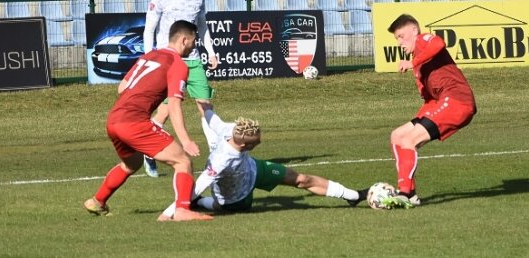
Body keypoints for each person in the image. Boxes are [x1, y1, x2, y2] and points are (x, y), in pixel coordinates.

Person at [83, 20, 213, 222]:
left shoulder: (150, 55)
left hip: (114, 120)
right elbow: (174, 105)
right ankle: (182, 210)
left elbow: (121, 88)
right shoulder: (178, 64)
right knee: (182, 161)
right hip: (134, 123)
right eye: (194, 41)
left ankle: (97, 201)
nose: (195, 46)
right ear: (184, 40)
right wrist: (185, 140)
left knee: (131, 163)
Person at [157, 108, 367, 220]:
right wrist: (168, 214)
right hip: (237, 197)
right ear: (247, 146)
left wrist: (200, 94)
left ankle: (354, 196)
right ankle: (202, 204)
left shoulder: (231, 129)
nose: (261, 139)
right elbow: (195, 187)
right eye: (258, 140)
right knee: (219, 204)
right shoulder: (221, 162)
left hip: (254, 169)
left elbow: (209, 113)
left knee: (301, 179)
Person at [386, 14, 477, 207]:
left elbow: (439, 44)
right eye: (397, 39)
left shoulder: (423, 41)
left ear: (414, 31)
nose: (399, 42)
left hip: (457, 100)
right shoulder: (418, 68)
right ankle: (410, 193)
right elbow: (429, 100)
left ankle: (403, 193)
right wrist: (419, 118)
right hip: (442, 102)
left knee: (409, 140)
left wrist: (413, 62)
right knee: (398, 136)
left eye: (401, 36)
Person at [141, 0, 219, 178]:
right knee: (166, 109)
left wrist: (211, 52)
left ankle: (214, 151)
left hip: (194, 60)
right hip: (170, 60)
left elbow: (202, 28)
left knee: (204, 102)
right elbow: (149, 30)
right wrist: (150, 58)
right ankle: (149, 150)